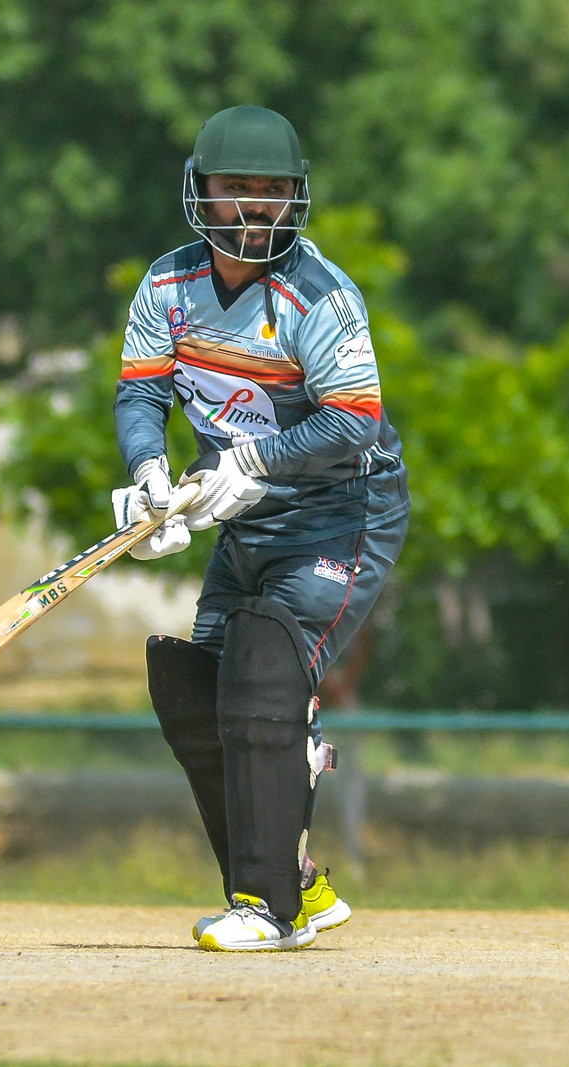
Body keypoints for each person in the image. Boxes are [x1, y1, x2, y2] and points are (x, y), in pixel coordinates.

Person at [112, 105, 409, 952]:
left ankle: (268, 908)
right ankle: (298, 883)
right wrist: (150, 475)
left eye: (272, 189)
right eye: (236, 186)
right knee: (197, 690)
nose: (254, 205)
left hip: (341, 513)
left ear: (296, 197)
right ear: (200, 191)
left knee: (264, 671)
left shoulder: (320, 295)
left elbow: (353, 421)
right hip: (248, 517)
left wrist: (251, 463)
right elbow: (142, 391)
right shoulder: (166, 287)